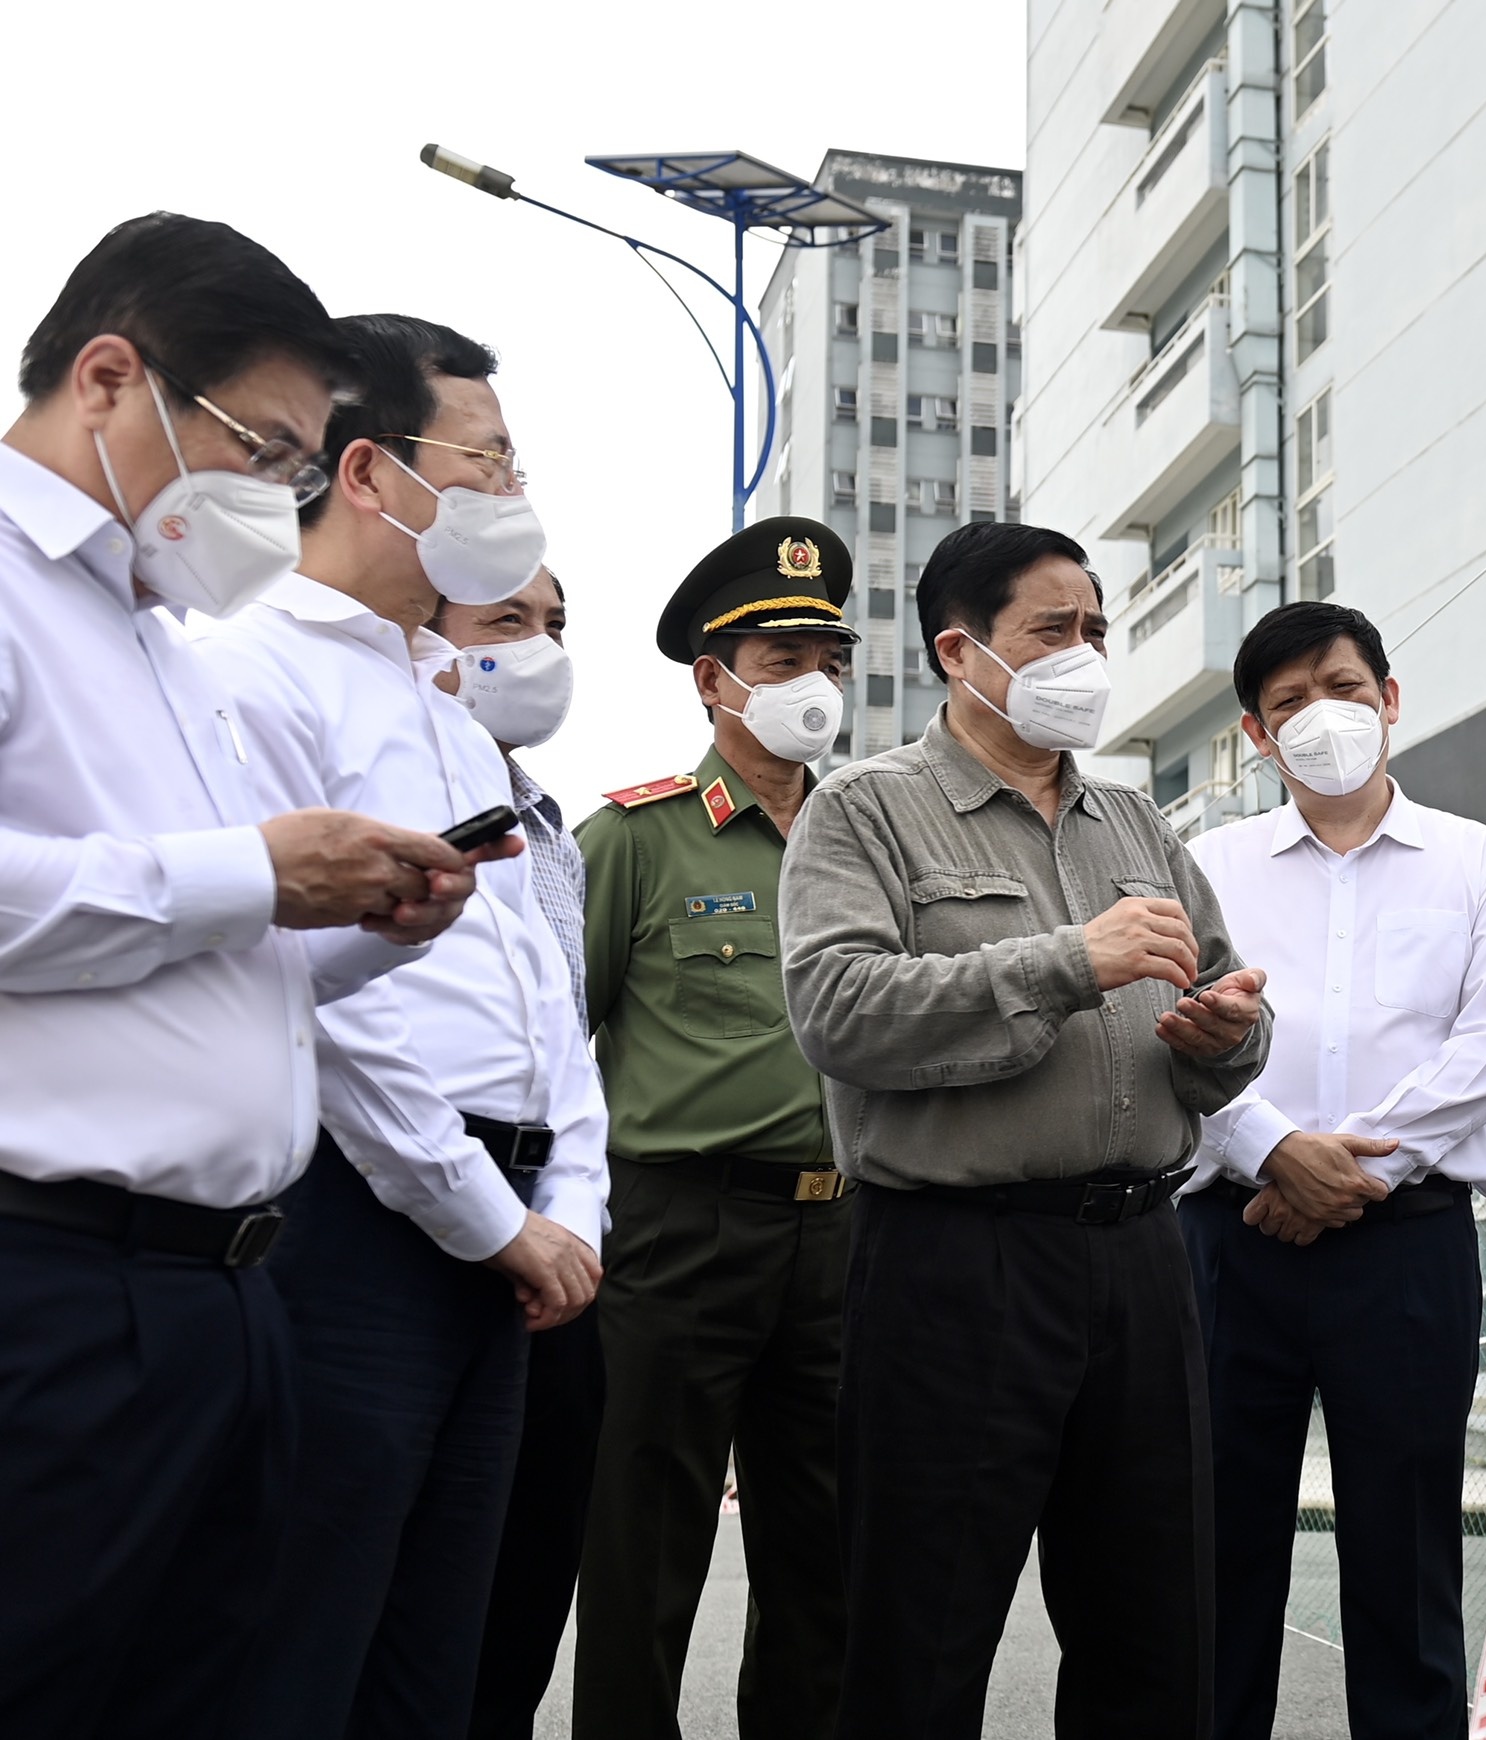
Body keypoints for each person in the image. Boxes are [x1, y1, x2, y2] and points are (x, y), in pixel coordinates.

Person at [0, 213, 491, 1740]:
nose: (275, 495)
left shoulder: (158, 642)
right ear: (107, 377)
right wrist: (256, 874)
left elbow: (183, 950)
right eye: (260, 446)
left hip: (226, 1293)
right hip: (54, 1284)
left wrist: (344, 924)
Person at [778, 519, 1270, 1739]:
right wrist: (1066, 962)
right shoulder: (865, 812)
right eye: (1052, 631)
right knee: (921, 1632)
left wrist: (1228, 1039)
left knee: (1156, 1632)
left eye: (1093, 629)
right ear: (960, 651)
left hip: (1141, 1259)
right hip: (957, 1262)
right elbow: (837, 1011)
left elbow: (1229, 1002)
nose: (1085, 655)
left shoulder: (1135, 824)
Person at [194, 313, 609, 1740]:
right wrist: (489, 1216)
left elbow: (541, 1000)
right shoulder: (251, 677)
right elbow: (304, 999)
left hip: (508, 1242)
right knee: (307, 1649)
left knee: (439, 1659)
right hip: (358, 1230)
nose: (512, 494)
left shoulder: (440, 699)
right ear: (369, 471)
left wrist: (573, 1206)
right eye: (486, 460)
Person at [1179, 600, 1486, 1740]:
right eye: (1289, 704)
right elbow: (1172, 1032)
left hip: (1410, 1249)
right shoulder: (1209, 867)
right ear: (1254, 734)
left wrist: (1345, 1174)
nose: (1320, 717)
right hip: (1232, 1247)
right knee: (1217, 1559)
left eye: (1342, 689)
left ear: (1388, 700)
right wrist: (1273, 1155)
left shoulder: (1474, 861)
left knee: (1407, 1558)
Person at [573, 519, 859, 1740]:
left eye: (829, 659)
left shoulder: (871, 837)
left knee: (830, 1550)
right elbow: (550, 1047)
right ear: (714, 677)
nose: (814, 686)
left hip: (845, 1233)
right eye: (783, 657)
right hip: (680, 1228)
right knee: (645, 1547)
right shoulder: (634, 839)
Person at [438, 566, 607, 1740]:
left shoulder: (553, 833)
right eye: (509, 623)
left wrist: (574, 1225)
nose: (542, 648)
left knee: (526, 1582)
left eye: (554, 625)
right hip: (426, 1215)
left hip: (562, 1245)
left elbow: (574, 1057)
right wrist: (495, 1225)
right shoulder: (378, 786)